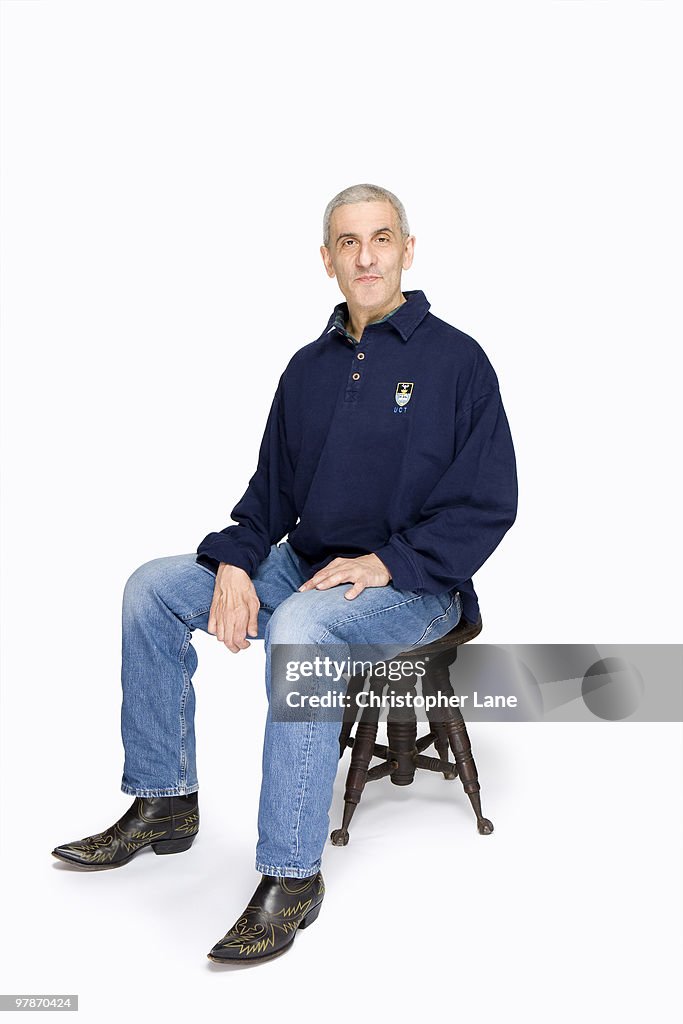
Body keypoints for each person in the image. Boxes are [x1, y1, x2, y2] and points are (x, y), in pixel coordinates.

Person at [52, 183, 518, 964]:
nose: (364, 255)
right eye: (347, 242)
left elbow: (486, 506)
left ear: (407, 249)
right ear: (327, 259)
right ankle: (164, 801)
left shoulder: (458, 361)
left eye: (379, 238)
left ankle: (292, 877)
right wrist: (237, 562)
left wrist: (386, 562)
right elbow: (267, 498)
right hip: (302, 567)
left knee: (300, 629)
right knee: (152, 588)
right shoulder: (306, 369)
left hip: (417, 589)